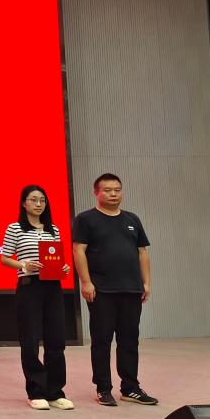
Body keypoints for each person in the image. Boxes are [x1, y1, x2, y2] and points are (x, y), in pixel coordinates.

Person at [72, 173, 157, 406]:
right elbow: (78, 250)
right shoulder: (86, 219)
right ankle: (103, 388)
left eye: (117, 190)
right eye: (107, 190)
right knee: (102, 340)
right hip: (101, 290)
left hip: (131, 288)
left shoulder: (132, 219)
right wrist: (86, 282)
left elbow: (142, 252)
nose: (113, 194)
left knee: (129, 339)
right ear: (96, 193)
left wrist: (146, 282)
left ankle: (130, 387)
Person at [0, 185, 74, 410]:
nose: (38, 204)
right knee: (30, 340)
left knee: (56, 340)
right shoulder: (15, 228)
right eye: (33, 200)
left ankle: (55, 391)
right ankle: (36, 391)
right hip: (29, 286)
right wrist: (24, 265)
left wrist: (63, 267)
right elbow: (4, 258)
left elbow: (56, 258)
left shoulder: (53, 229)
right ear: (24, 203)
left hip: (53, 286)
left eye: (42, 200)